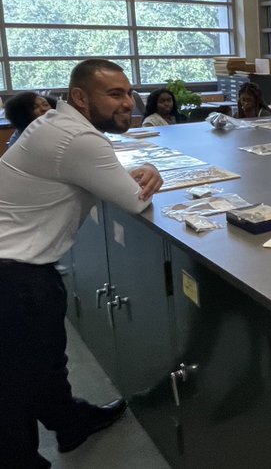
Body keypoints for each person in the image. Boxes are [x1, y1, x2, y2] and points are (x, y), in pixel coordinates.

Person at [0, 59, 163, 469]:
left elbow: (89, 171)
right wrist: (151, 174)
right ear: (79, 97)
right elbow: (135, 199)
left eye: (128, 93)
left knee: (46, 362)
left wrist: (129, 172)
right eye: (114, 94)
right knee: (13, 391)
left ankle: (71, 422)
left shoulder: (58, 125)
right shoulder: (78, 139)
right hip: (13, 274)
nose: (128, 103)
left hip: (20, 266)